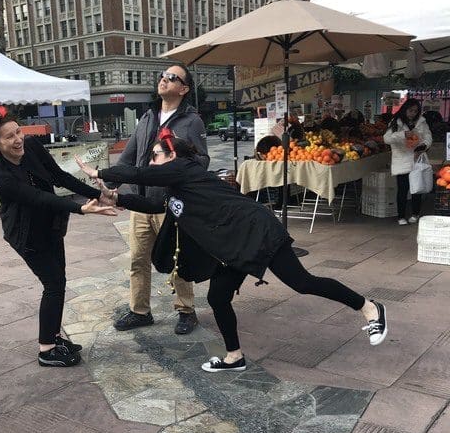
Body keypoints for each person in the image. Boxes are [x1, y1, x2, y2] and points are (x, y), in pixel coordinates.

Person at [77, 129, 388, 373]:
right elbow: (155, 204)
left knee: (302, 282)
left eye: (156, 155)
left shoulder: (185, 169)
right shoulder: (178, 189)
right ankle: (234, 356)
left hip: (256, 231)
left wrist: (100, 172)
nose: (151, 161)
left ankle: (370, 308)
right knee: (217, 297)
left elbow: (142, 175)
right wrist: (117, 199)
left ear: (173, 156)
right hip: (232, 245)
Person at [0, 97, 116, 368]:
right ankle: (46, 349)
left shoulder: (32, 146)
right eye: (9, 137)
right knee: (53, 284)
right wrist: (81, 209)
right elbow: (39, 198)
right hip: (27, 234)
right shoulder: (0, 175)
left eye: (18, 131)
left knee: (59, 281)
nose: (18, 139)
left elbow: (59, 176)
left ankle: (54, 337)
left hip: (51, 226)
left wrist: (98, 195)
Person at [111, 62, 209, 335]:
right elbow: (128, 157)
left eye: (172, 77)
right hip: (141, 202)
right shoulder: (147, 117)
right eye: (163, 75)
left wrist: (177, 158)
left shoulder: (192, 121)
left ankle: (186, 311)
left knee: (177, 258)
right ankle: (139, 311)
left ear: (184, 89)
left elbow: (202, 160)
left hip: (171, 203)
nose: (164, 79)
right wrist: (108, 186)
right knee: (137, 259)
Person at [383, 98, 432, 225]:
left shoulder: (422, 122)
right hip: (402, 160)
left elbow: (428, 137)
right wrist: (402, 135)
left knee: (417, 189)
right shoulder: (396, 122)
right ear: (405, 109)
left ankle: (415, 214)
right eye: (410, 110)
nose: (413, 113)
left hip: (416, 159)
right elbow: (386, 139)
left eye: (415, 111)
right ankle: (401, 216)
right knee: (402, 190)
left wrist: (423, 146)